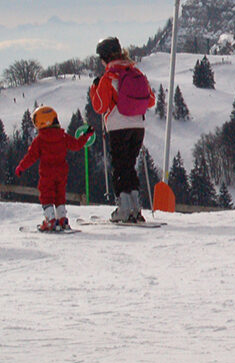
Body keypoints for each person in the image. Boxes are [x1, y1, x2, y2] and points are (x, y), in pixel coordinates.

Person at [90, 36, 155, 222]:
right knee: (129, 166)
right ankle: (136, 208)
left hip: (119, 127)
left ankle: (124, 209)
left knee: (120, 167)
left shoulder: (109, 77)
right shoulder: (136, 72)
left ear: (104, 58)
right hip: (138, 127)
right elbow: (150, 100)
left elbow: (100, 106)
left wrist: (94, 89)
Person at [15, 106, 93, 231]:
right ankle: (62, 219)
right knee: (59, 195)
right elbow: (76, 145)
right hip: (62, 172)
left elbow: (31, 157)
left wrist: (20, 167)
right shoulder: (62, 136)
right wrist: (85, 135)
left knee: (46, 195)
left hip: (47, 173)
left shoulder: (40, 140)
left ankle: (50, 220)